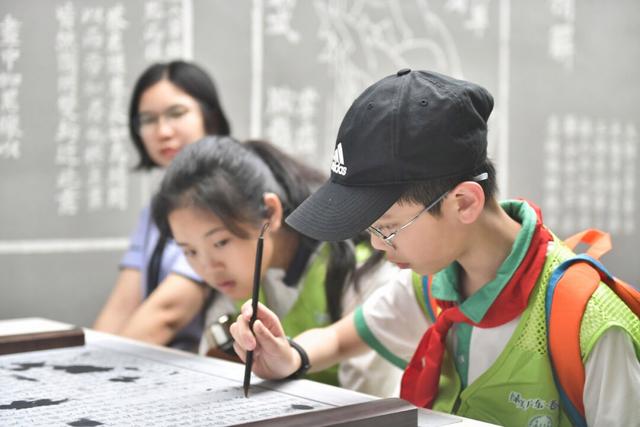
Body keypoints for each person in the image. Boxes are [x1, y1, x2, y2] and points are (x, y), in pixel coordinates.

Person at [229, 69, 640, 425]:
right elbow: (340, 340)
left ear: (463, 203)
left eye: (388, 228)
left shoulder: (587, 323)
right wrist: (288, 356)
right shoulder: (436, 282)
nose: (376, 244)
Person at [150, 135, 404, 396]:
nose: (208, 268)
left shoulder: (361, 273)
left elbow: (373, 398)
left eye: (220, 242)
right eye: (189, 251)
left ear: (270, 212)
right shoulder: (235, 280)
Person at [93, 60, 231, 352]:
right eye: (147, 120)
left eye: (176, 113)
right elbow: (122, 303)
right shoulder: (157, 205)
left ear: (210, 116)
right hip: (154, 360)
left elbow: (169, 312)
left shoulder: (227, 195)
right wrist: (84, 358)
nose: (163, 131)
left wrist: (101, 369)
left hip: (209, 365)